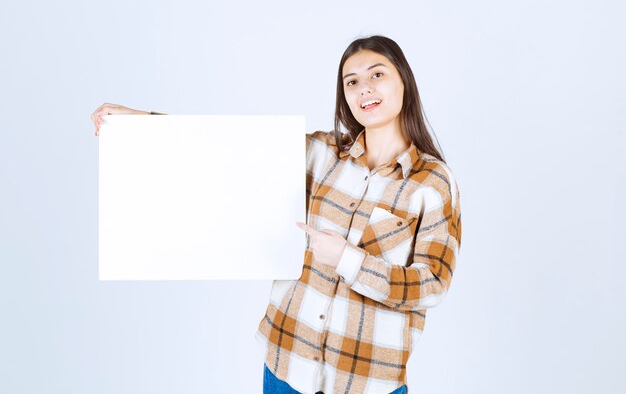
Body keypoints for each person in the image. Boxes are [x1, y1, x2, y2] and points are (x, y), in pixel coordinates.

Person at [90, 34, 462, 394]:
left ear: (404, 81)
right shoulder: (321, 154)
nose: (364, 88)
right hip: (286, 364)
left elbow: (431, 284)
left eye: (377, 74)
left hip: (367, 380)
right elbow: (225, 149)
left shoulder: (433, 182)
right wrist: (137, 121)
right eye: (352, 81)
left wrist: (348, 259)